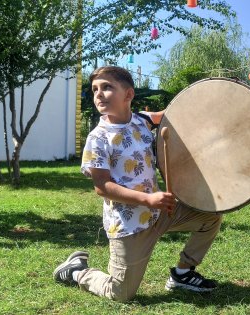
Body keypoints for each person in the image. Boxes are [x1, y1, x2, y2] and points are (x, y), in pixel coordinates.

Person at [52, 66, 222, 301]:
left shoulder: (141, 121)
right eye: (95, 90)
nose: (98, 94)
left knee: (210, 217)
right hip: (128, 226)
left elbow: (173, 114)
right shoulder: (98, 138)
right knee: (120, 293)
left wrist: (208, 99)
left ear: (129, 95)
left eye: (107, 87)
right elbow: (102, 187)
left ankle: (182, 274)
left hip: (158, 214)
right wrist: (148, 199)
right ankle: (77, 271)